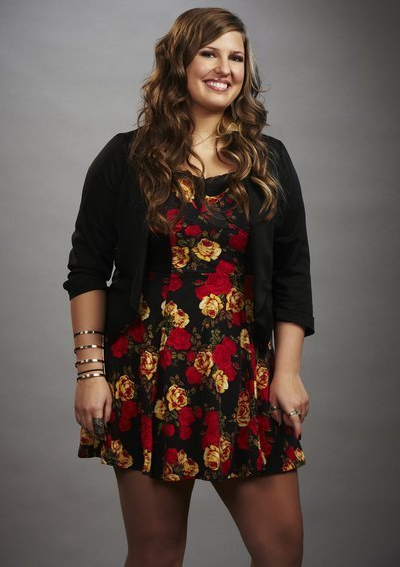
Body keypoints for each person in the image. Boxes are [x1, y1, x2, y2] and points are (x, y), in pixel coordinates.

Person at [63, 7, 315, 567]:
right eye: (209, 53)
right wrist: (90, 373)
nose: (225, 68)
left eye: (236, 57)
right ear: (180, 61)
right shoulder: (126, 157)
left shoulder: (269, 161)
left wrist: (288, 371)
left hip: (245, 374)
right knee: (155, 553)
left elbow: (293, 272)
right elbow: (87, 270)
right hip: (147, 374)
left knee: (281, 550)